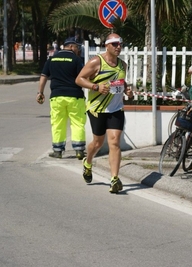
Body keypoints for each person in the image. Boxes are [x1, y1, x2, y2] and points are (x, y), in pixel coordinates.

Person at [75, 33, 134, 193]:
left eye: (120, 43)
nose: (118, 47)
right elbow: (79, 79)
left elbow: (121, 82)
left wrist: (128, 90)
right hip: (97, 109)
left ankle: (114, 179)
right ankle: (88, 162)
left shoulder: (123, 65)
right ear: (106, 45)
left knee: (114, 142)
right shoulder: (96, 62)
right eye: (114, 44)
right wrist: (96, 87)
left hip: (115, 109)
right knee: (97, 143)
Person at [37, 37, 86, 160]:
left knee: (57, 124)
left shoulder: (52, 59)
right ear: (70, 46)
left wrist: (40, 92)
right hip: (75, 97)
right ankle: (79, 150)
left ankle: (58, 151)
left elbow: (43, 76)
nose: (78, 49)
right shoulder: (77, 60)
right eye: (76, 47)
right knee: (77, 122)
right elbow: (83, 77)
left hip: (57, 97)